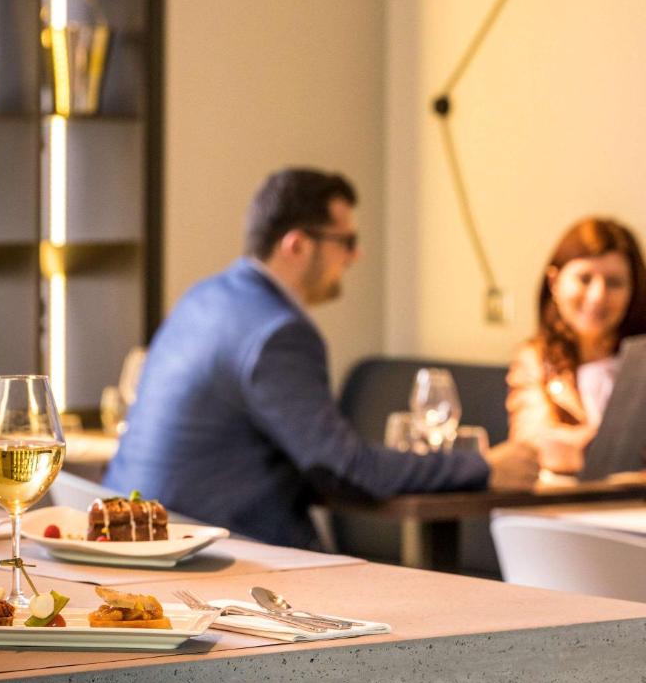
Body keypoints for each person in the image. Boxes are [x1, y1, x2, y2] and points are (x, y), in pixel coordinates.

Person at [103, 167, 538, 549]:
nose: (355, 255)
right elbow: (346, 469)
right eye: (346, 241)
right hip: (213, 552)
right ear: (297, 245)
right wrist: (483, 467)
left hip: (135, 536)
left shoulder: (204, 299)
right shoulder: (277, 333)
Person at [507, 217, 646, 474]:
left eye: (614, 282)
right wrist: (618, 449)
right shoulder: (535, 360)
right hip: (563, 496)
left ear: (633, 290)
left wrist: (577, 445)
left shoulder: (641, 360)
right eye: (584, 279)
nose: (598, 296)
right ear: (554, 283)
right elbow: (531, 447)